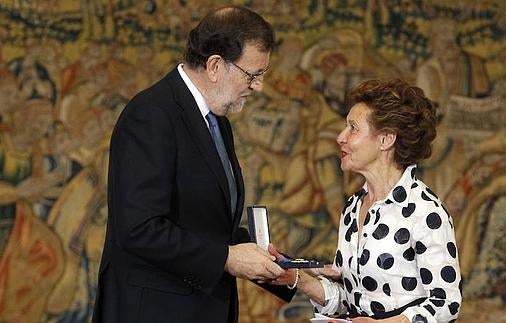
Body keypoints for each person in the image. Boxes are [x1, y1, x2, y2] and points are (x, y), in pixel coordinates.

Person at [92, 6, 295, 323]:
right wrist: (228, 258)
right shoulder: (151, 115)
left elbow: (206, 225)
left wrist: (275, 263)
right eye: (253, 75)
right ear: (215, 66)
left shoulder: (217, 119)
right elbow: (139, 228)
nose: (259, 87)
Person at [271, 79, 462, 323]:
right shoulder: (353, 208)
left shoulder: (425, 211)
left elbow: (446, 302)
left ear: (386, 139)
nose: (340, 137)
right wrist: (297, 278)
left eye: (353, 128)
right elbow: (348, 301)